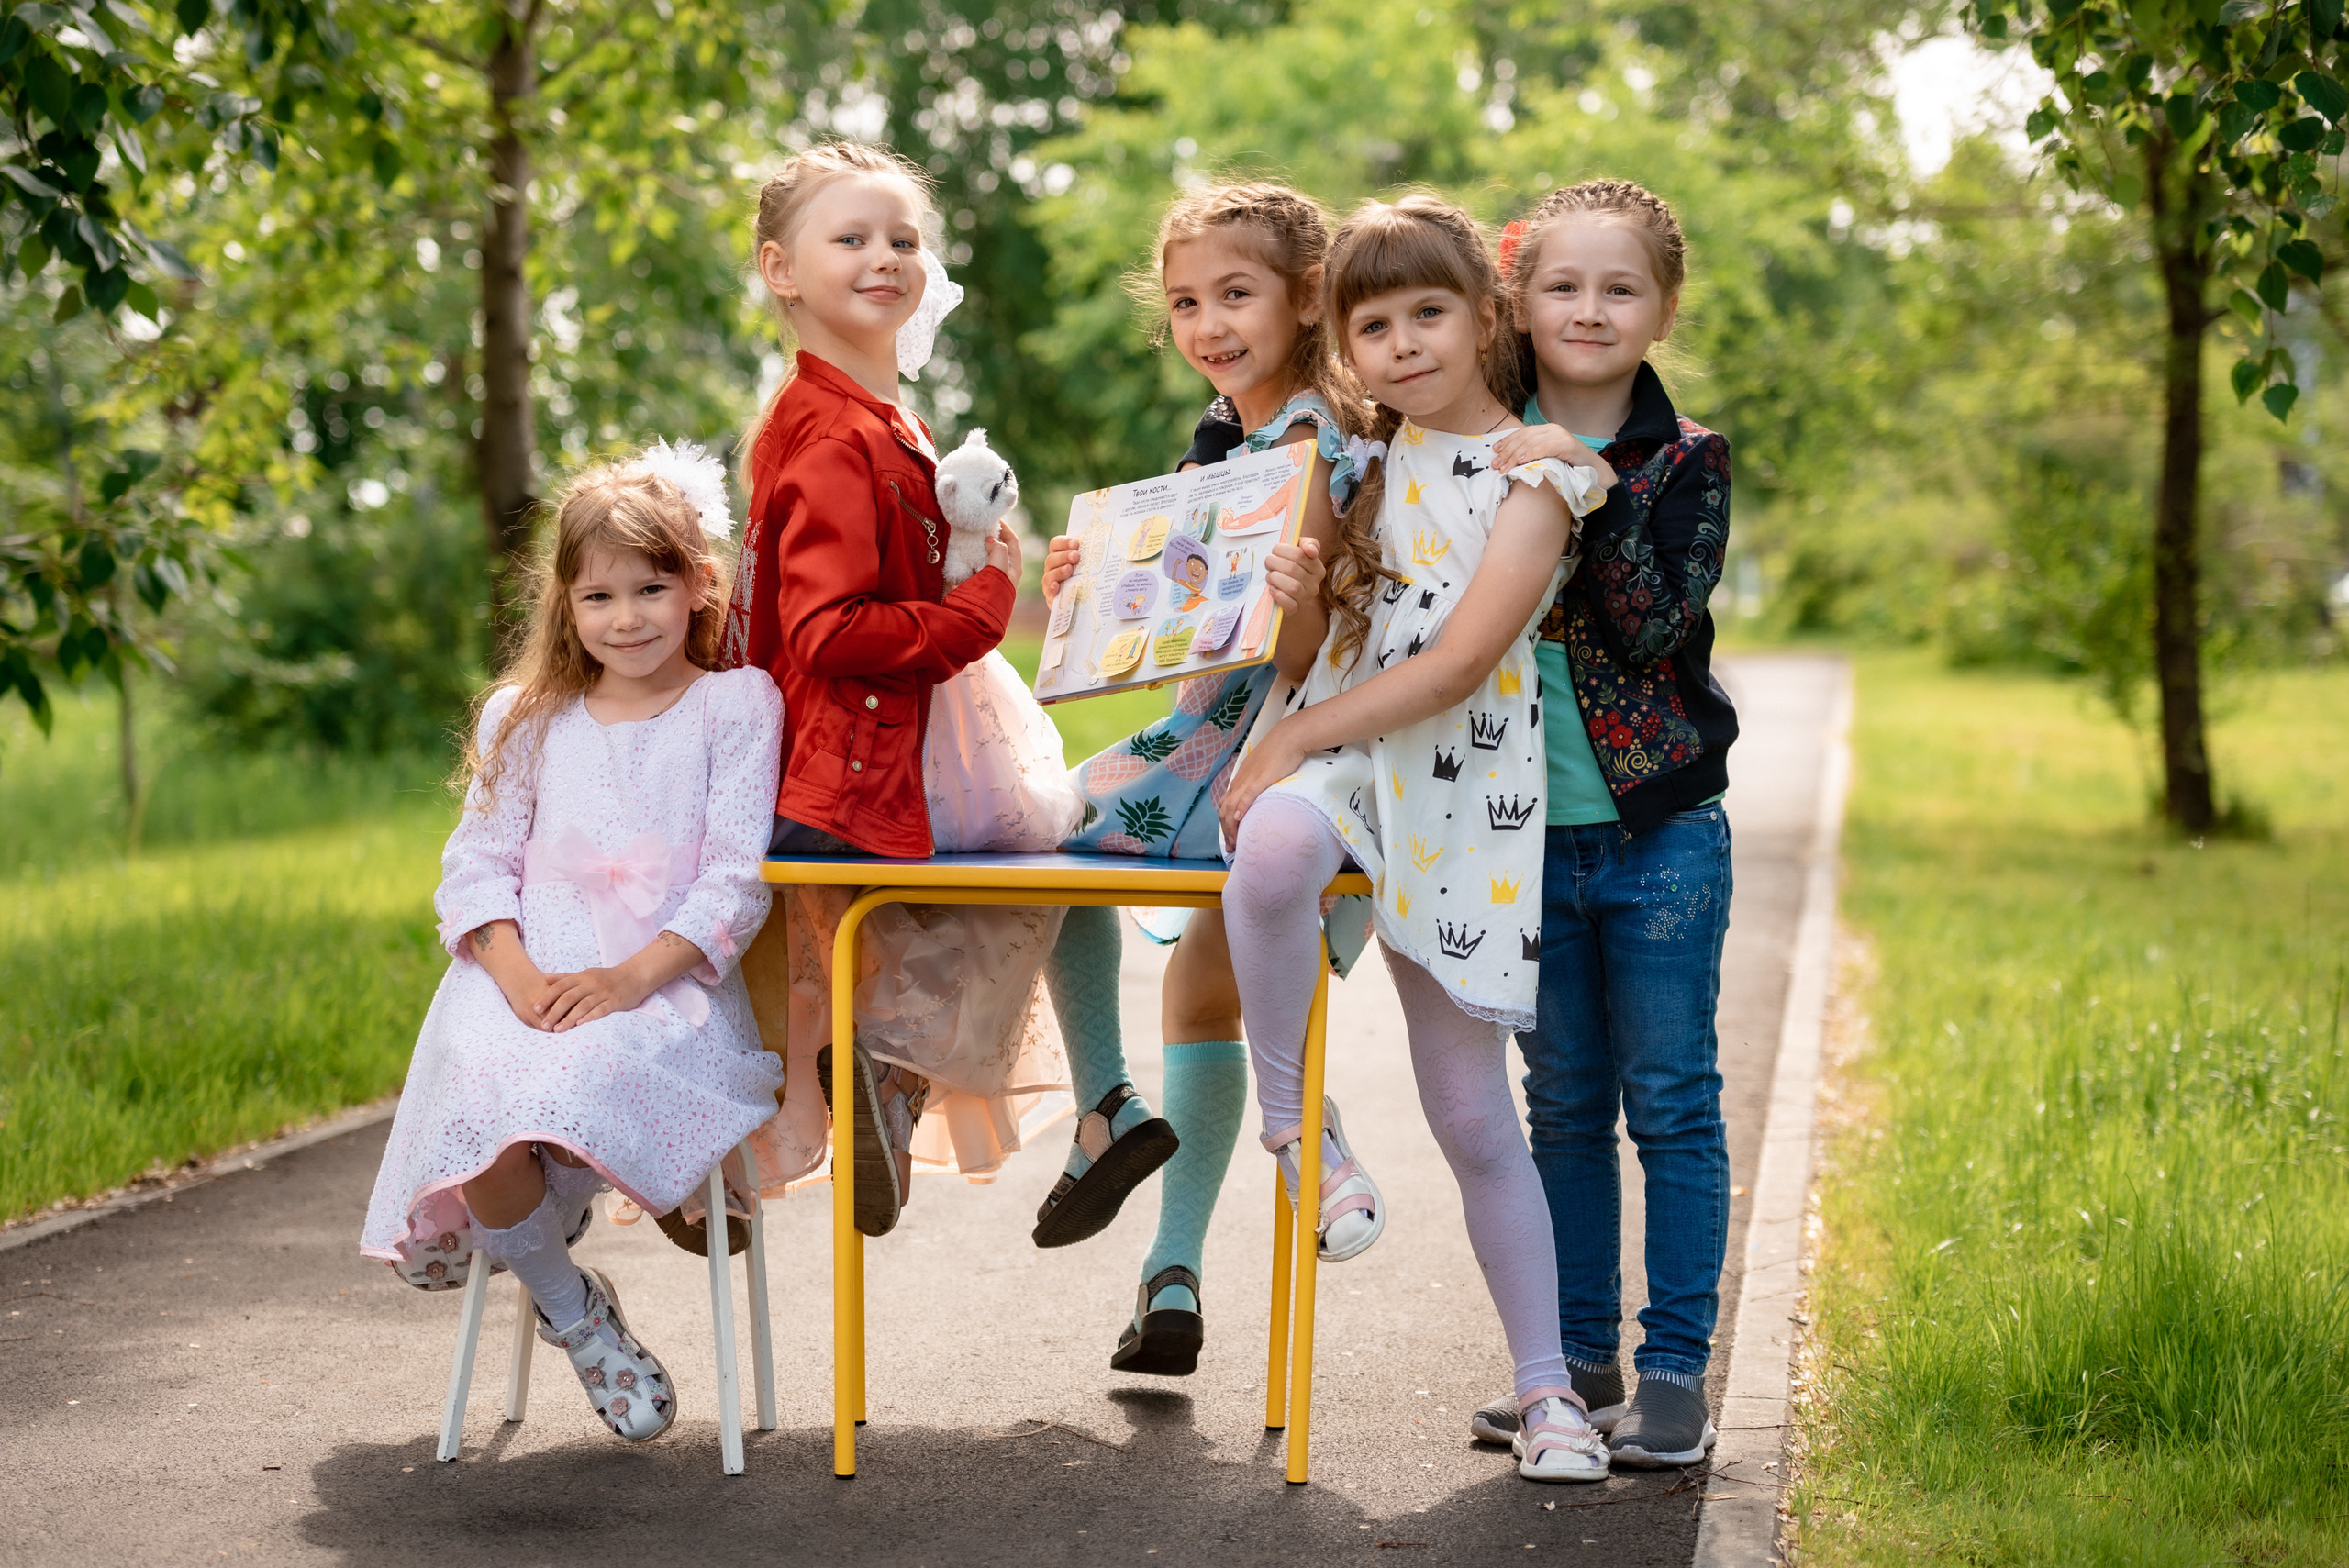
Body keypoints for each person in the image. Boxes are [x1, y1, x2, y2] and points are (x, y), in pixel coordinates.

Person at [1217, 194, 1611, 1484]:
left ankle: (1547, 1391)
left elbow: (1454, 665)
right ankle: (1296, 1128)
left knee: (1472, 1114)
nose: (1401, 344)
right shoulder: (1360, 466)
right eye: (1372, 325)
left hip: (1458, 782)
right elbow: (1307, 650)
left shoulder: (1538, 473)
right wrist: (1291, 600)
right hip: (1344, 759)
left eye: (1427, 313)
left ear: (1484, 317)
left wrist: (1290, 733)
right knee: (1273, 852)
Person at [361, 445, 785, 1444]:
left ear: (698, 583)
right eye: (599, 595)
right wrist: (512, 974)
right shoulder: (527, 716)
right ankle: (573, 1306)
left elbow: (736, 877)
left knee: (578, 1071)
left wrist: (628, 977)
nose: (626, 617)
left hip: (660, 981)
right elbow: (475, 863)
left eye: (650, 588)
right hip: (522, 972)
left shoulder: (734, 704)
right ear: (566, 602)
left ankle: (545, 1194)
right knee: (476, 1079)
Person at [1032, 183, 1366, 1378]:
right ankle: (1159, 1245)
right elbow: (1184, 619)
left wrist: (1286, 597)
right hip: (1221, 737)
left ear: (1307, 296)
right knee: (1178, 972)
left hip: (1273, 747)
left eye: (1235, 295)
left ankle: (1125, 1136)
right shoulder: (1228, 440)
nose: (1208, 324)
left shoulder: (1308, 440)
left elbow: (1303, 649)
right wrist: (1090, 586)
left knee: (1051, 844)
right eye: (1185, 303)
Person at [723, 140, 1078, 1240]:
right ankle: (877, 1068)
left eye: (904, 239)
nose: (885, 257)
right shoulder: (836, 433)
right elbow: (828, 631)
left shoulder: (871, 415)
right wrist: (979, 610)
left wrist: (983, 570)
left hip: (862, 745)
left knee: (1016, 868)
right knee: (1043, 855)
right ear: (781, 269)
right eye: (852, 238)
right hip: (850, 758)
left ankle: (863, 1075)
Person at [1454, 181, 1737, 1470]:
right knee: (1562, 1104)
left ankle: (1673, 1370)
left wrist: (1588, 483)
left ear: (1661, 310)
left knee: (1670, 1101)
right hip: (1519, 836)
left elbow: (1653, 624)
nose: (1589, 309)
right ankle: (1573, 1361)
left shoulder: (1688, 462)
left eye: (1620, 288)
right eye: (1561, 285)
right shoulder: (1472, 436)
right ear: (1518, 301)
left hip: (1659, 837)